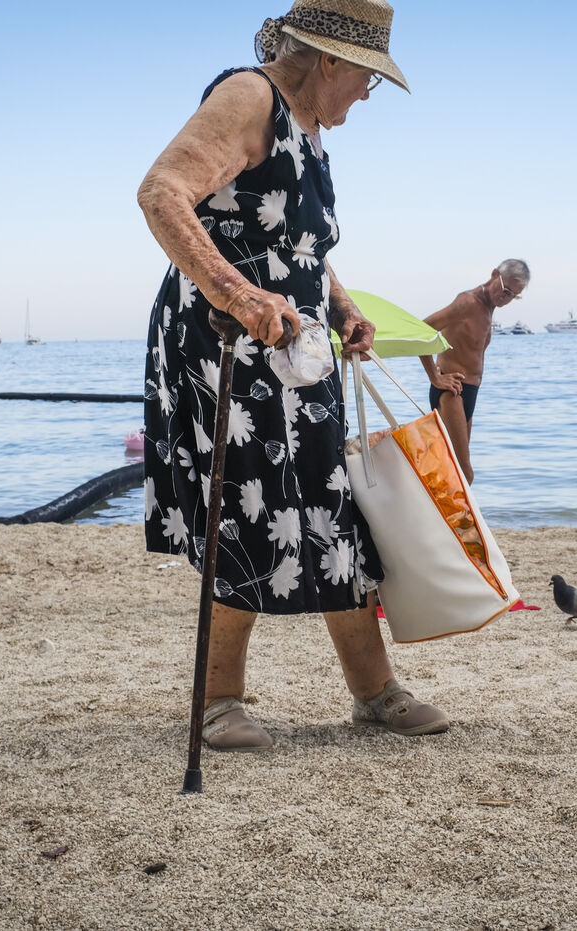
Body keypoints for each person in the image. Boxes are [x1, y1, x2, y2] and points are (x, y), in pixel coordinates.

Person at [137, 0, 448, 752]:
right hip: (226, 339)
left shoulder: (310, 129)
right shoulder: (249, 95)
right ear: (331, 60)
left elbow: (299, 244)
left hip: (297, 346)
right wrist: (238, 294)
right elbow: (161, 192)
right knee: (245, 505)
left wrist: (341, 306)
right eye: (368, 79)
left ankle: (373, 692)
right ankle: (216, 702)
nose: (368, 96)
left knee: (332, 502)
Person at [418, 260, 531, 483]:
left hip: (469, 392)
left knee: (449, 468)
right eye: (506, 290)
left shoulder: (489, 308)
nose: (506, 298)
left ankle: (431, 504)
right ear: (494, 274)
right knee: (465, 472)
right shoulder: (468, 302)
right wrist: (435, 377)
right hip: (452, 391)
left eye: (513, 296)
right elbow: (423, 332)